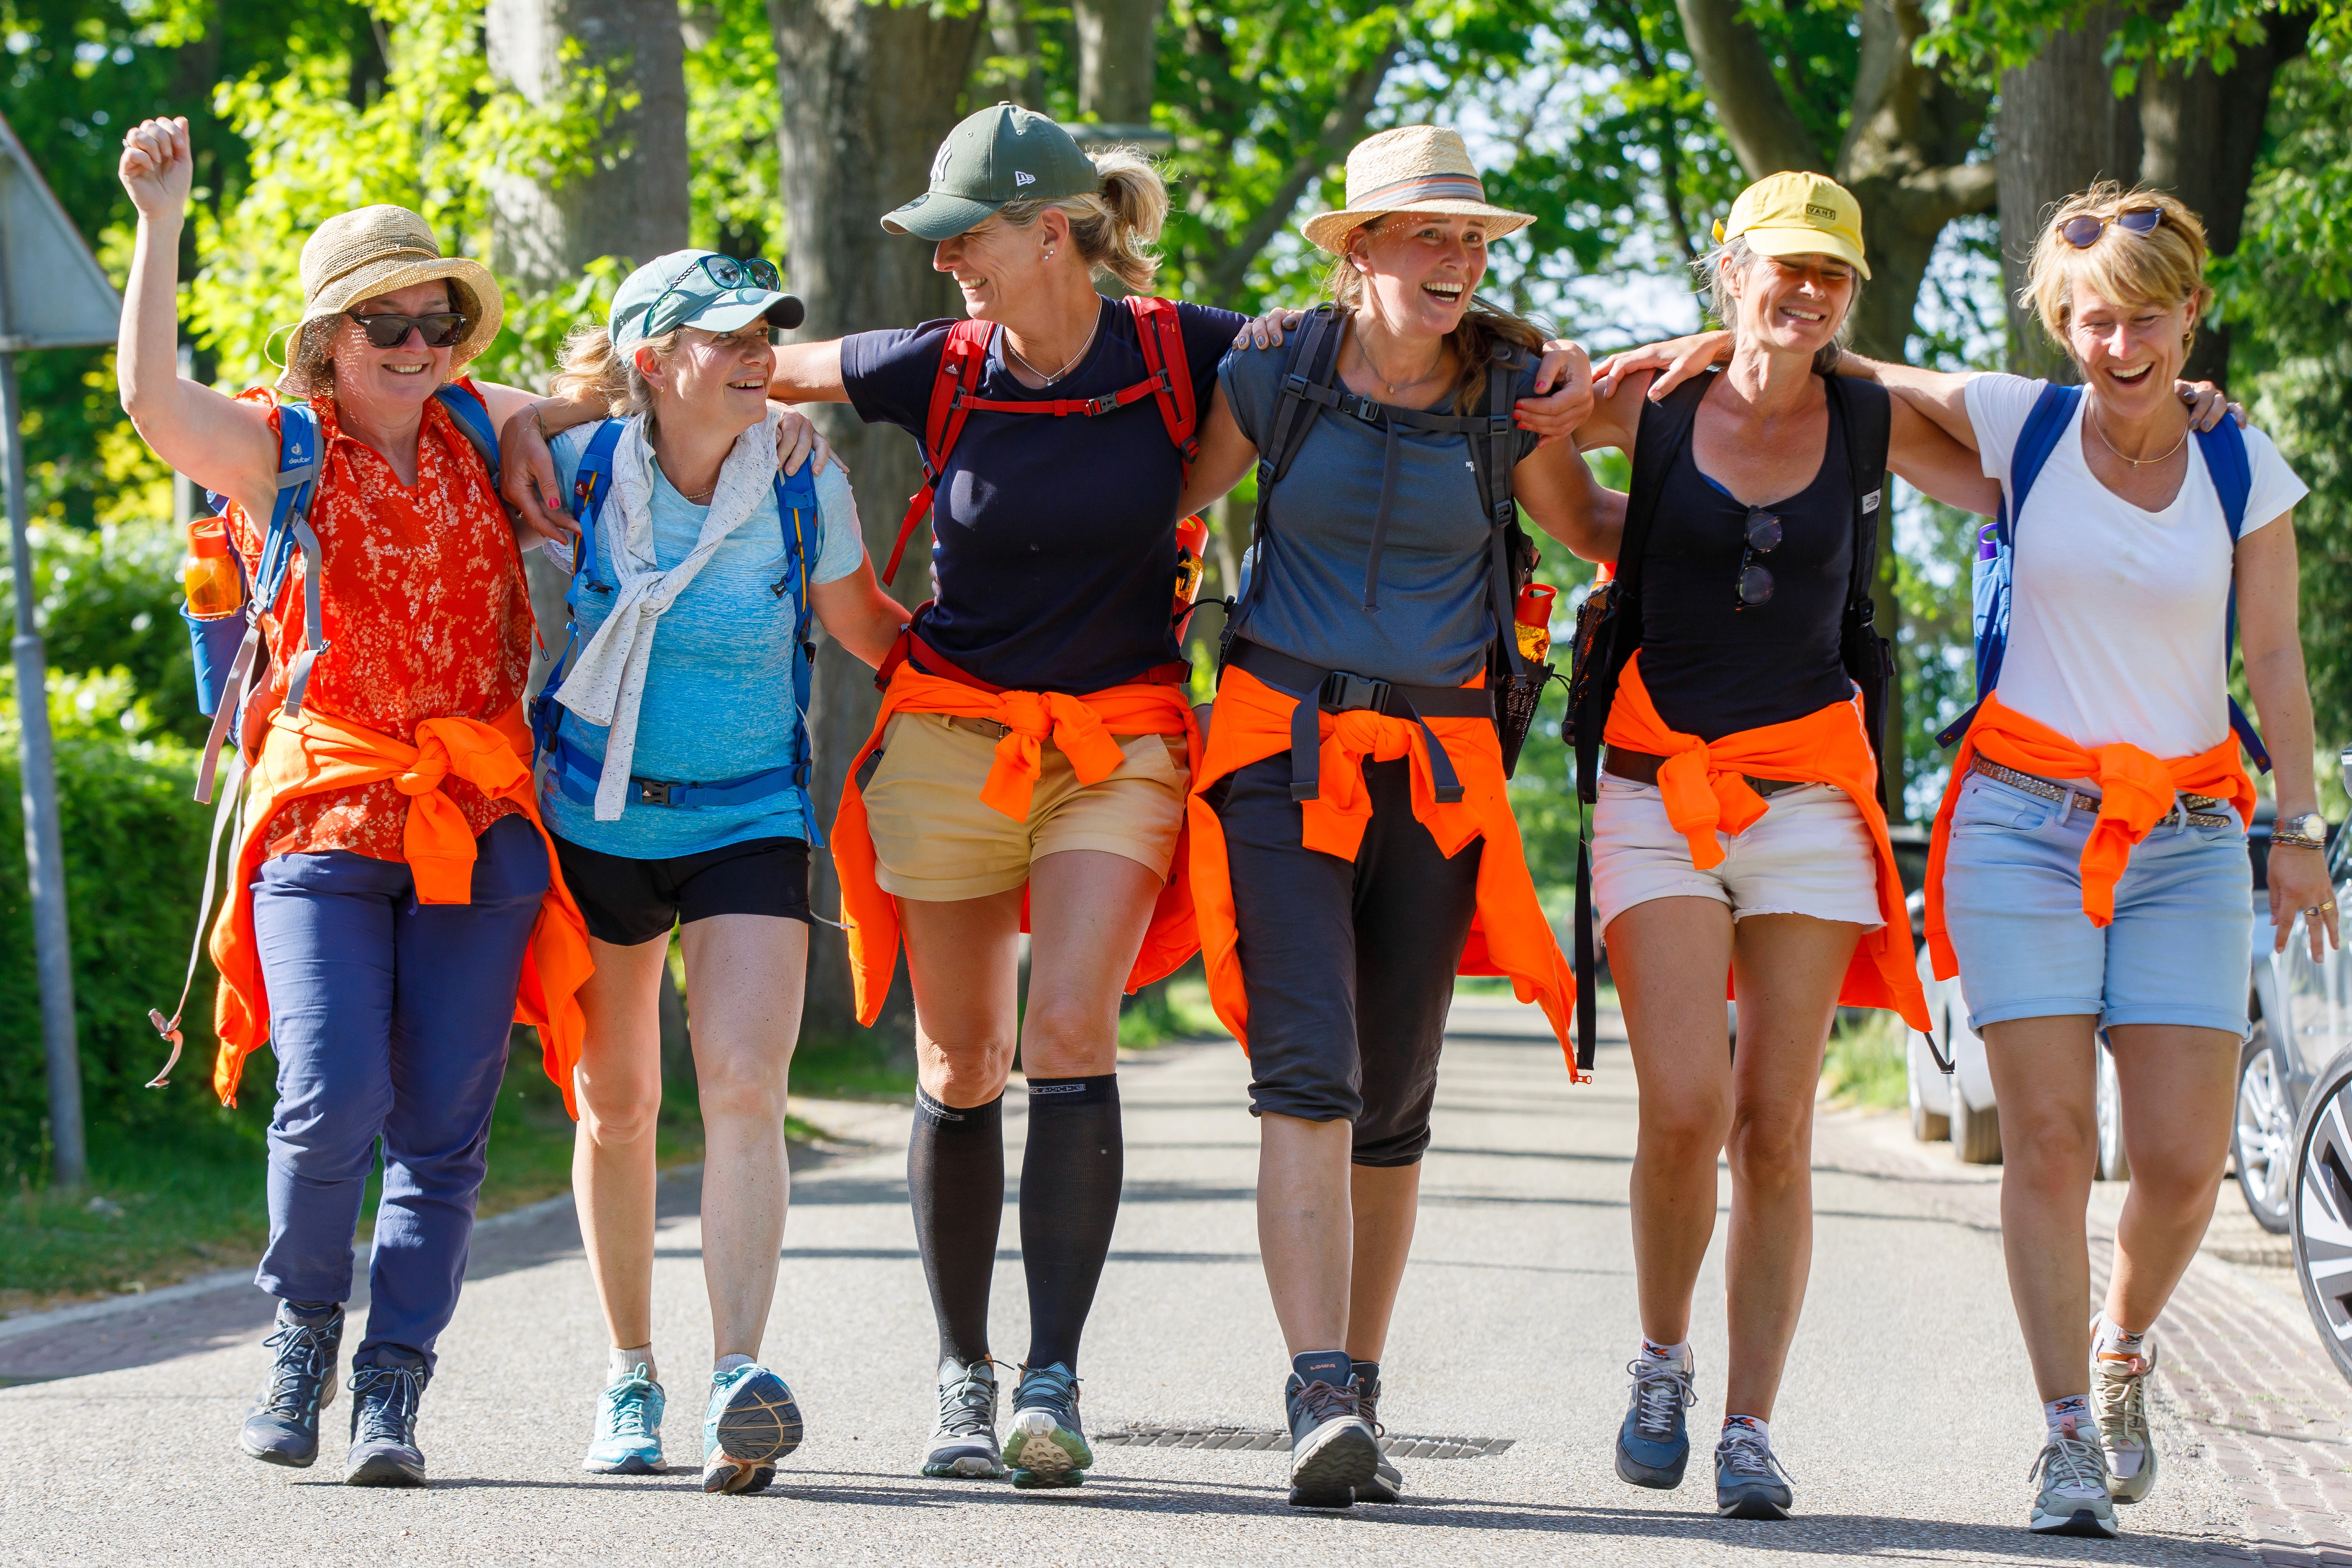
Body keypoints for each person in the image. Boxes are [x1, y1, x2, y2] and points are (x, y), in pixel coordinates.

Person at [499, 102, 1591, 1490]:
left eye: (967, 234)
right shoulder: (932, 361)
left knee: (1071, 1021)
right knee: (960, 1062)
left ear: (1052, 231)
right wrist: (547, 406)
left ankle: (1052, 1381)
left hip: (1121, 735)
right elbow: (755, 371)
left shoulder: (1193, 347)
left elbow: (1381, 347)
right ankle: (963, 1378)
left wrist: (1544, 361)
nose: (947, 257)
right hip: (954, 733)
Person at [1606, 180, 2319, 1541]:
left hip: (2186, 836)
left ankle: (2121, 1355)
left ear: (2189, 316)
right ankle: (2059, 1438)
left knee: (2178, 1166)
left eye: (2148, 319)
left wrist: (2295, 830)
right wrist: (1691, 350)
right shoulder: (2021, 424)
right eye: (2094, 321)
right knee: (2046, 1141)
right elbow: (1841, 370)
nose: (2121, 347)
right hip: (2018, 827)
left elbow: (2273, 658)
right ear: (2061, 325)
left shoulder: (2243, 464)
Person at [114, 117, 595, 1487]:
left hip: (481, 818)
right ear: (325, 336)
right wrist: (161, 225)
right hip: (326, 808)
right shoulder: (279, 449)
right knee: (333, 1098)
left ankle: (396, 1388)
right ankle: (304, 1333)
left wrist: (775, 431)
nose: (413, 340)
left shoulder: (476, 430)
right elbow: (153, 406)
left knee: (445, 1123)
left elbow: (618, 389)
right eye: (379, 320)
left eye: (434, 317)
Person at [1562, 173, 2000, 1521]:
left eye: (1831, 276)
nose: (1802, 291)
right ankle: (1660, 1360)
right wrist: (1577, 432)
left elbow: (2022, 478)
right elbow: (1524, 426)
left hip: (1810, 801)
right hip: (1656, 786)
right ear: (1726, 267)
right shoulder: (1653, 401)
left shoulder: (1865, 419)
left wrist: (2176, 416)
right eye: (1781, 268)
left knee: (1776, 1130)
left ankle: (1750, 1426)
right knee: (1684, 1107)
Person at [1173, 124, 1594, 1508]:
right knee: (1310, 1063)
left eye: (1471, 239)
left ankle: (1357, 1388)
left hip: (1439, 763)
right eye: (1428, 234)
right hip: (1279, 747)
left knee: (1397, 1096)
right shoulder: (1272, 372)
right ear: (1356, 248)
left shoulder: (1511, 394)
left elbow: (1595, 527)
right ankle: (1315, 1389)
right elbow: (1162, 508)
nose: (1456, 260)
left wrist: (1666, 384)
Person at [529, 255, 907, 1494]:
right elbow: (468, 414)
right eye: (724, 337)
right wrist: (535, 416)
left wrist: (1035, 637)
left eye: (765, 334)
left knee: (745, 1083)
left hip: (751, 812)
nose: (757, 354)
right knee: (618, 1103)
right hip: (592, 820)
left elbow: (873, 635)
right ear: (651, 361)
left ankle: (735, 1378)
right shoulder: (576, 473)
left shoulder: (804, 484)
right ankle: (629, 1370)